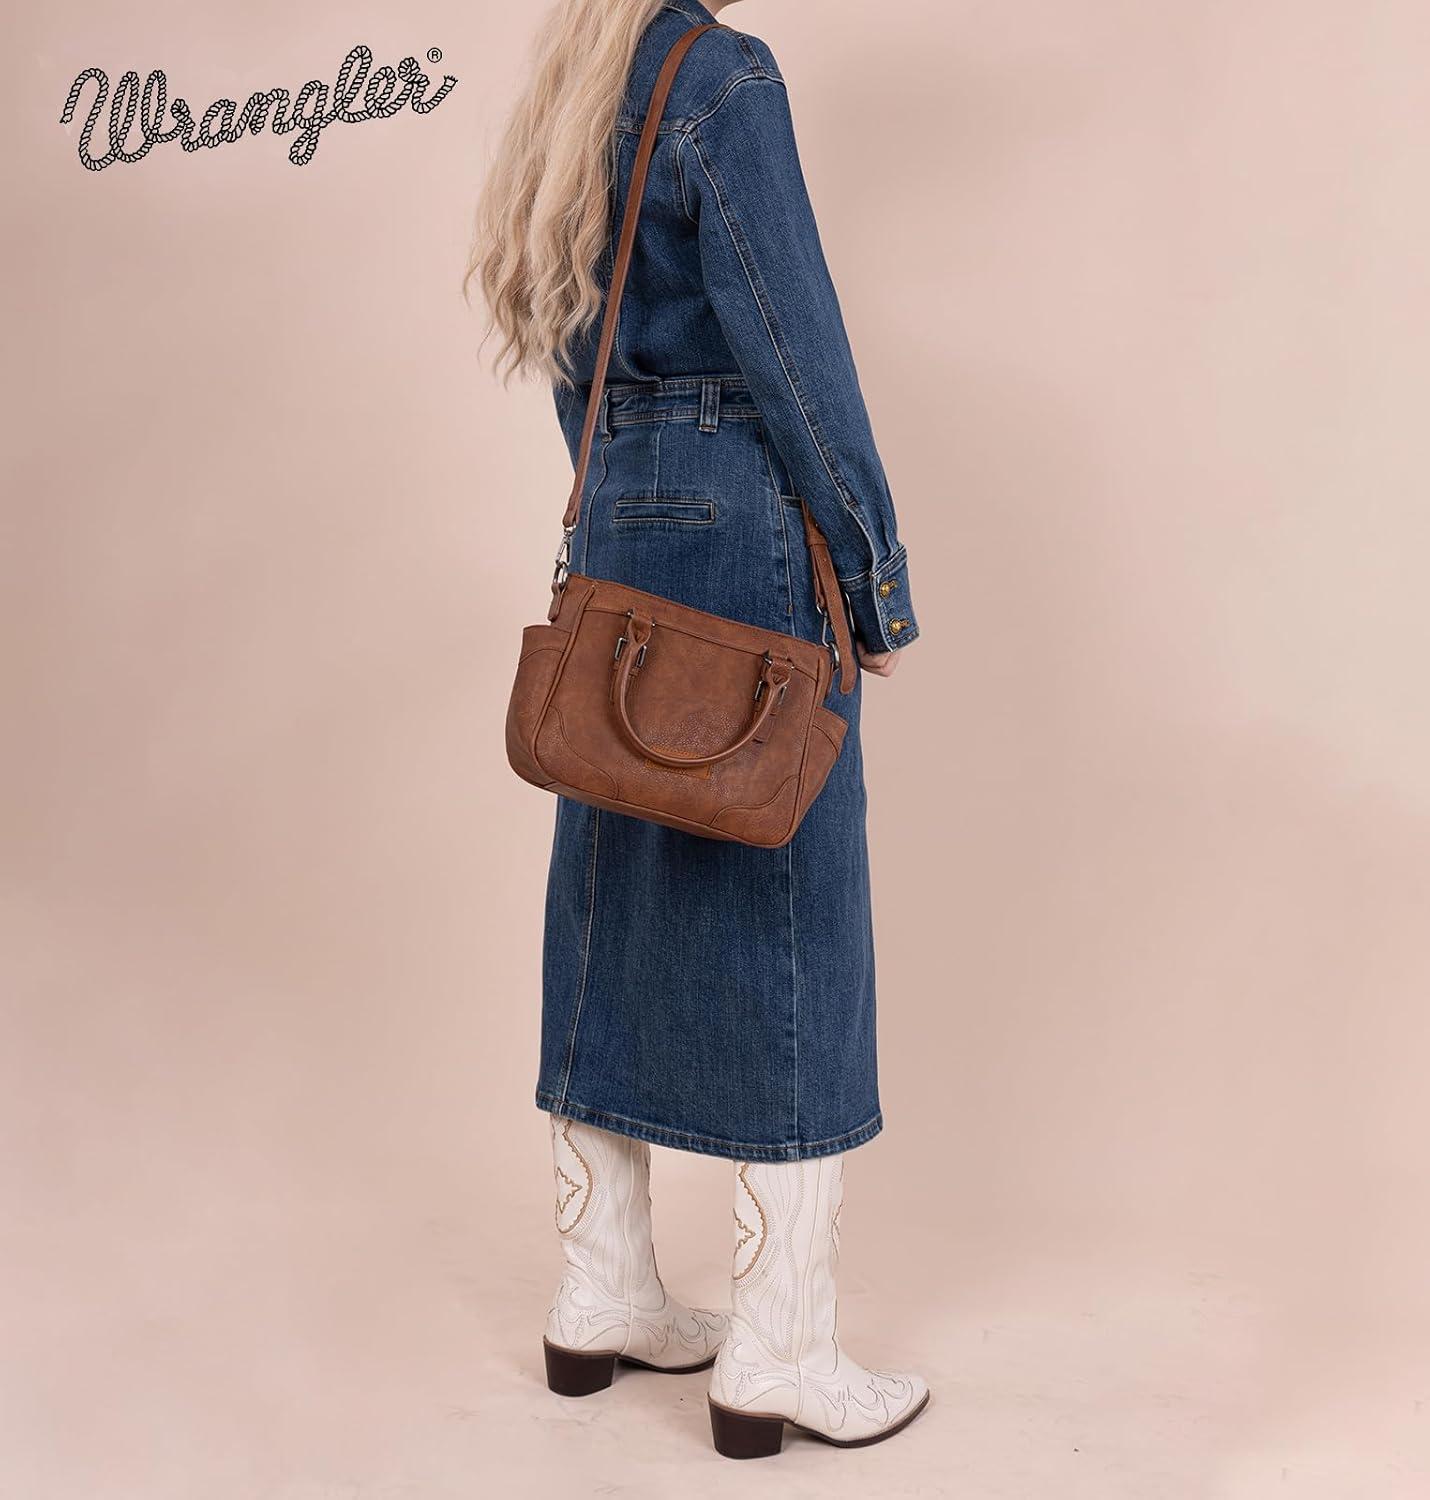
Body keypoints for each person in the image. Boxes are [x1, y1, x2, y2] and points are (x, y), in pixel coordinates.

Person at [465, 0, 926, 1457]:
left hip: (621, 510)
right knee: (794, 904)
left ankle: (601, 1291)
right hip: (746, 527)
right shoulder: (723, 76)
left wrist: (635, 487)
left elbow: (570, 352)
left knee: (615, 889)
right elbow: (793, 349)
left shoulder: (580, 80)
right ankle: (780, 1346)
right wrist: (872, 571)